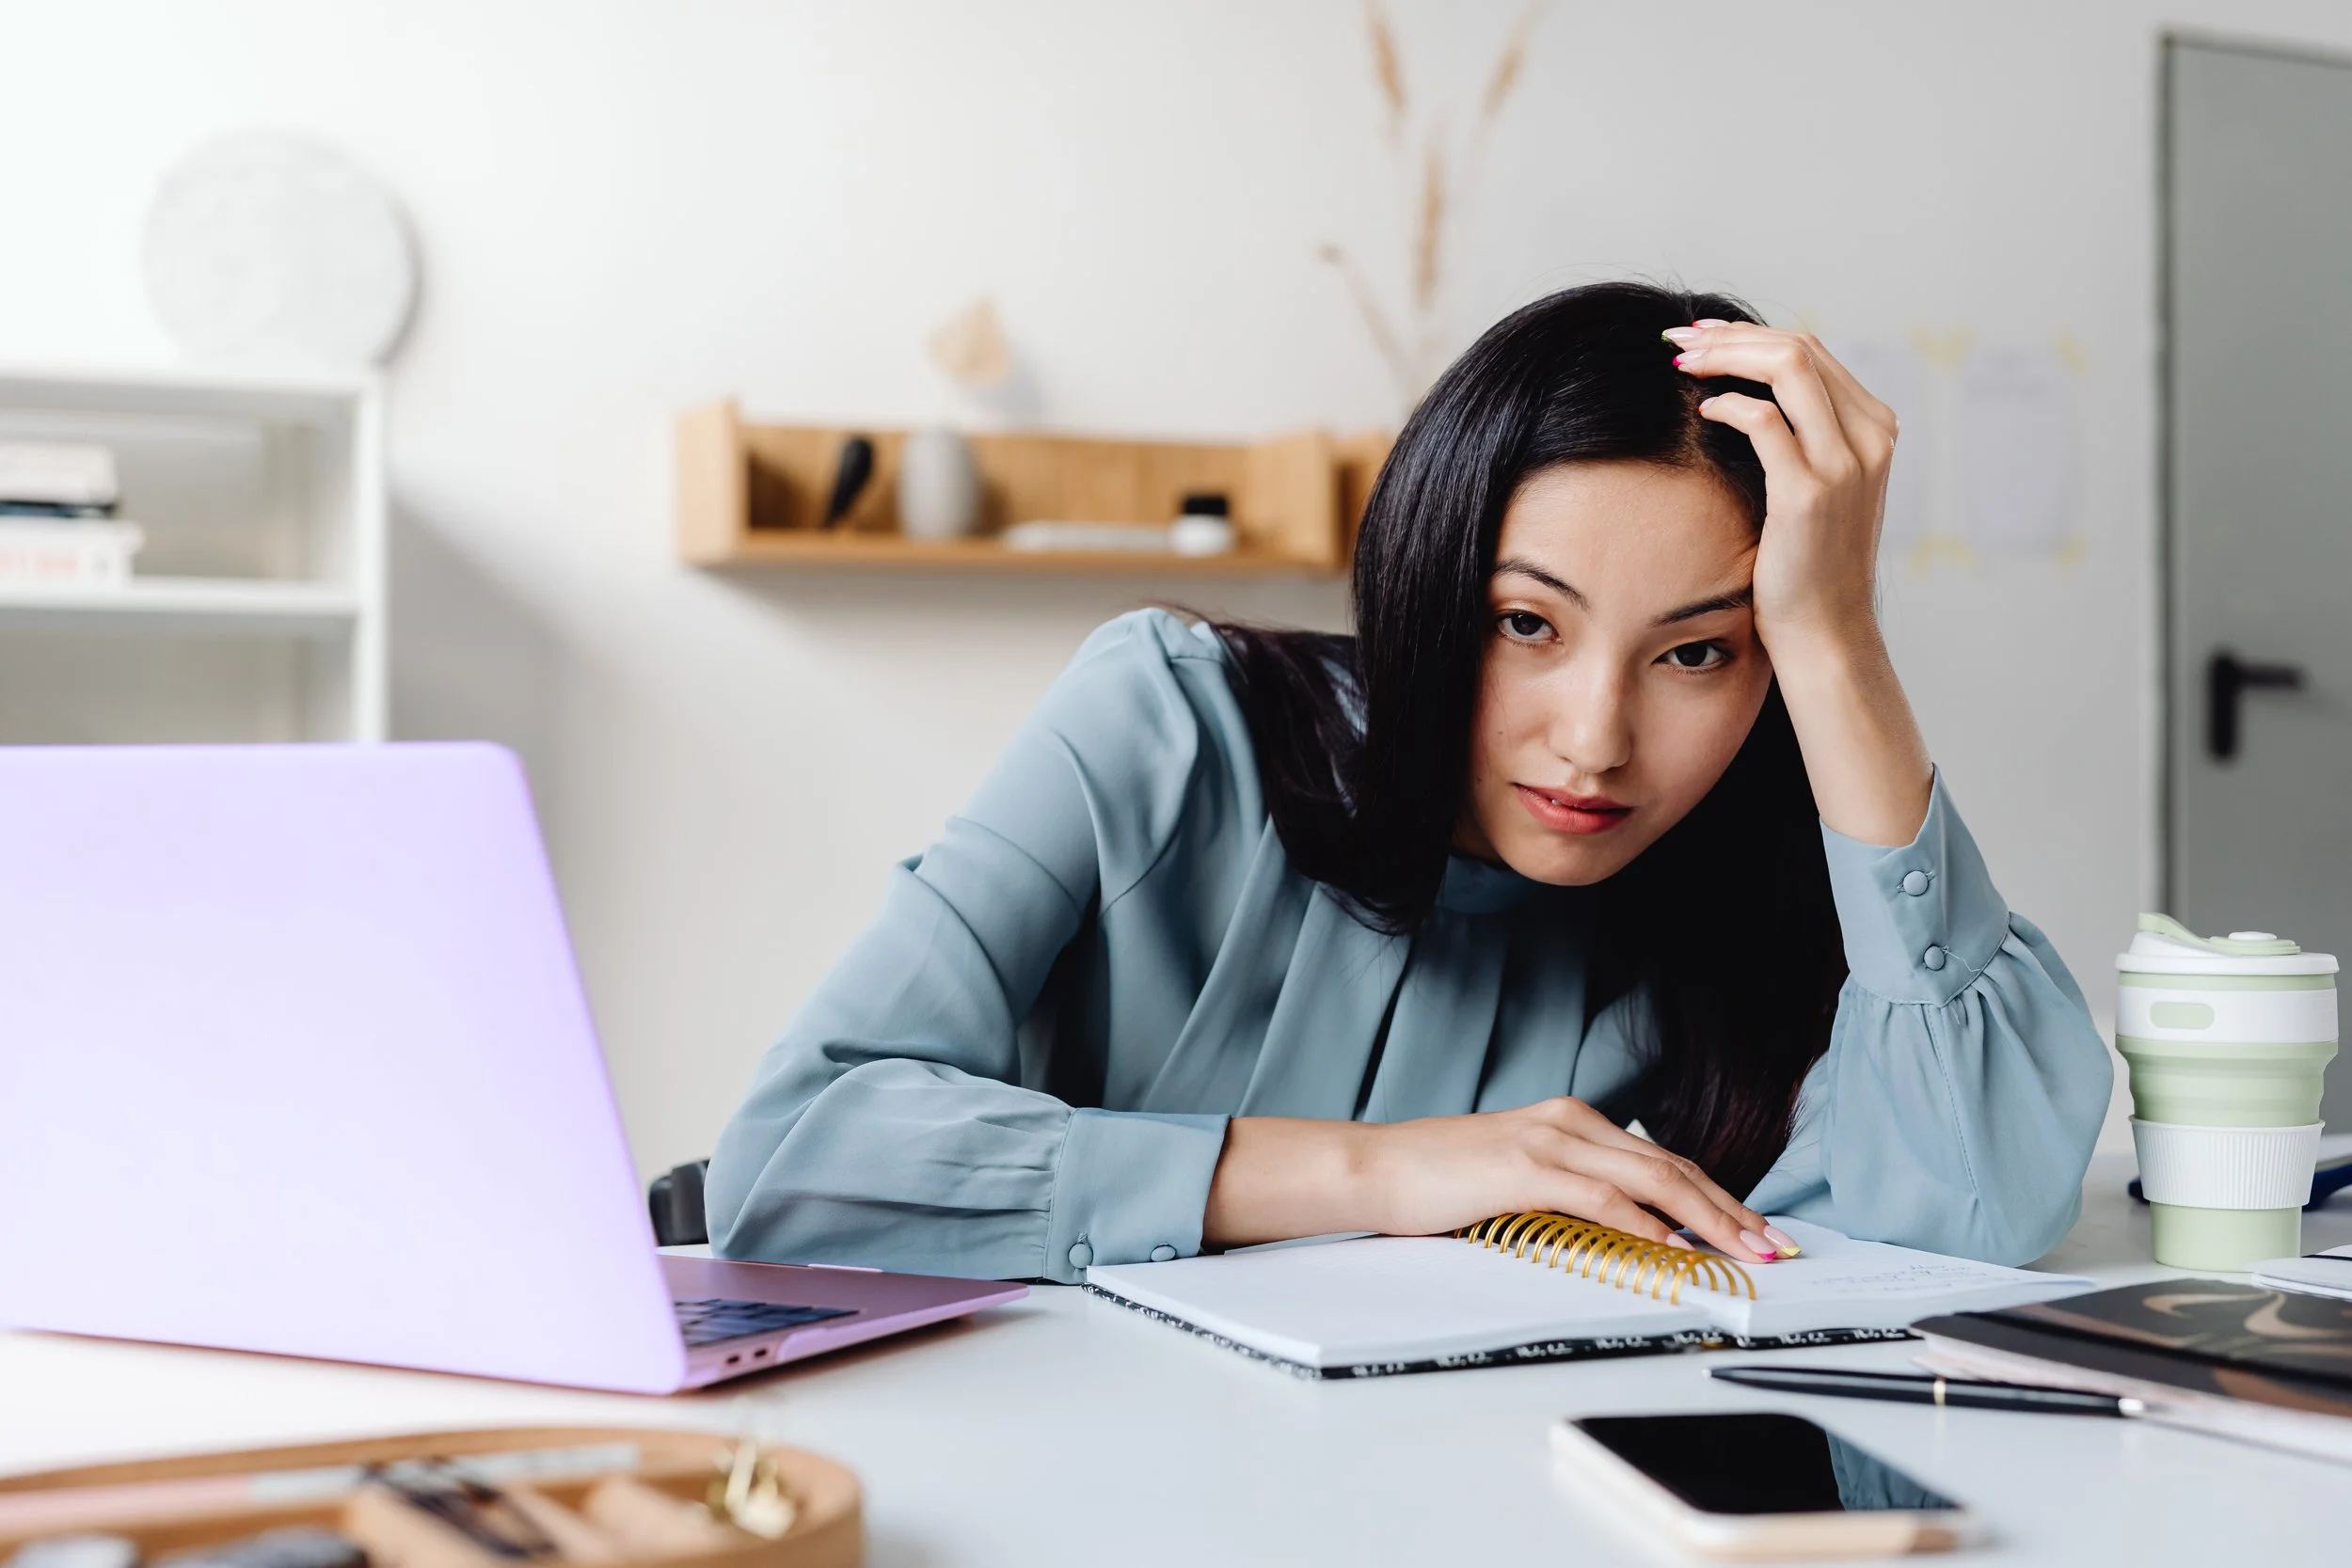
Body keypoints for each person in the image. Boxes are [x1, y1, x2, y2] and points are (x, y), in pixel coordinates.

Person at [706, 281, 2112, 1285]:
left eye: (1698, 652)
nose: (1595, 739)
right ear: (1429, 587)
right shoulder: (1167, 719)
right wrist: (1384, 1173)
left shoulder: (1757, 870)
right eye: (1527, 624)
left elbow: (1979, 1196)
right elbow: (789, 1158)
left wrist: (1837, 635)